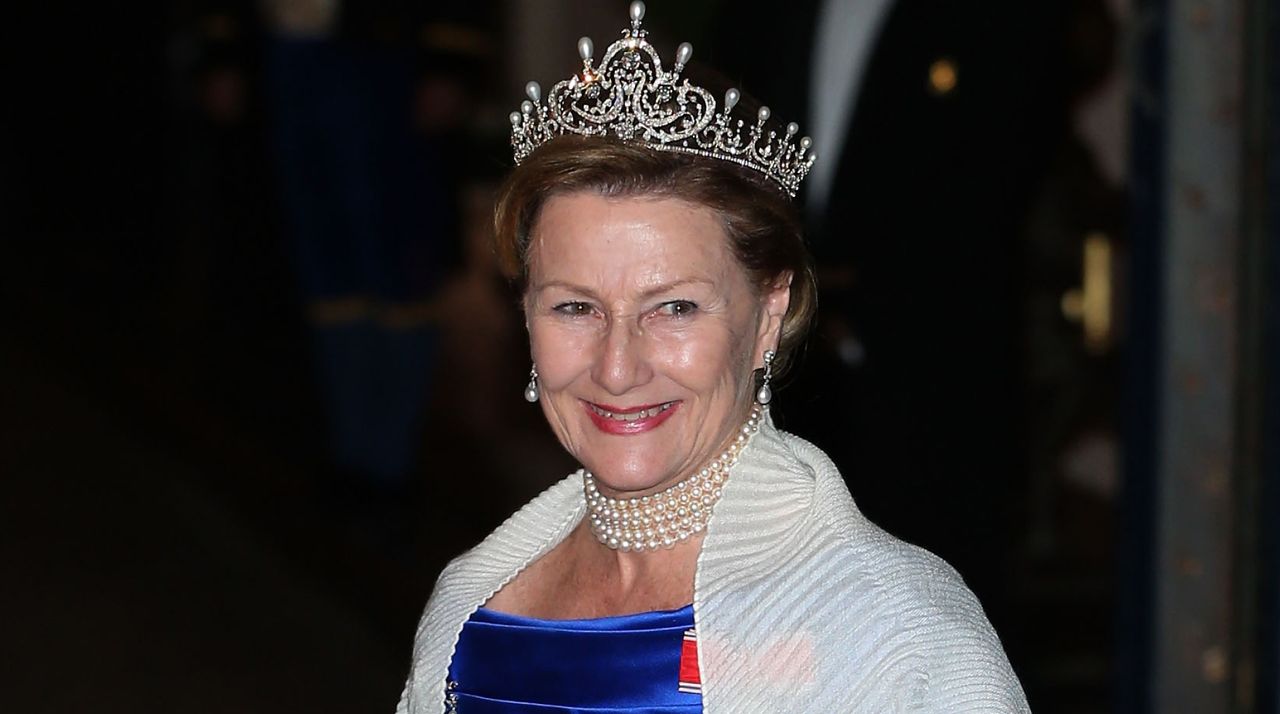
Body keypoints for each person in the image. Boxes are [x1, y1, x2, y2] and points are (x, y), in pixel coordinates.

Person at [397, 3, 1028, 712]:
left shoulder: (898, 634)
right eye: (575, 307)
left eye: (674, 308)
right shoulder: (470, 602)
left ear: (769, 315)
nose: (616, 367)